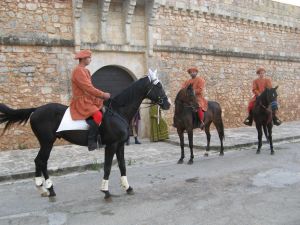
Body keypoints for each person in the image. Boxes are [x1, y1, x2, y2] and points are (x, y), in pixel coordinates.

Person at [69, 49, 111, 151]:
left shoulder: (85, 70)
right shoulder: (78, 71)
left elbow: (89, 89)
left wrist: (98, 98)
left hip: (88, 99)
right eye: (89, 58)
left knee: (104, 111)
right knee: (98, 115)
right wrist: (102, 94)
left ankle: (101, 137)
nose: (90, 60)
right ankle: (91, 141)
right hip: (81, 101)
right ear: (83, 59)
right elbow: (88, 88)